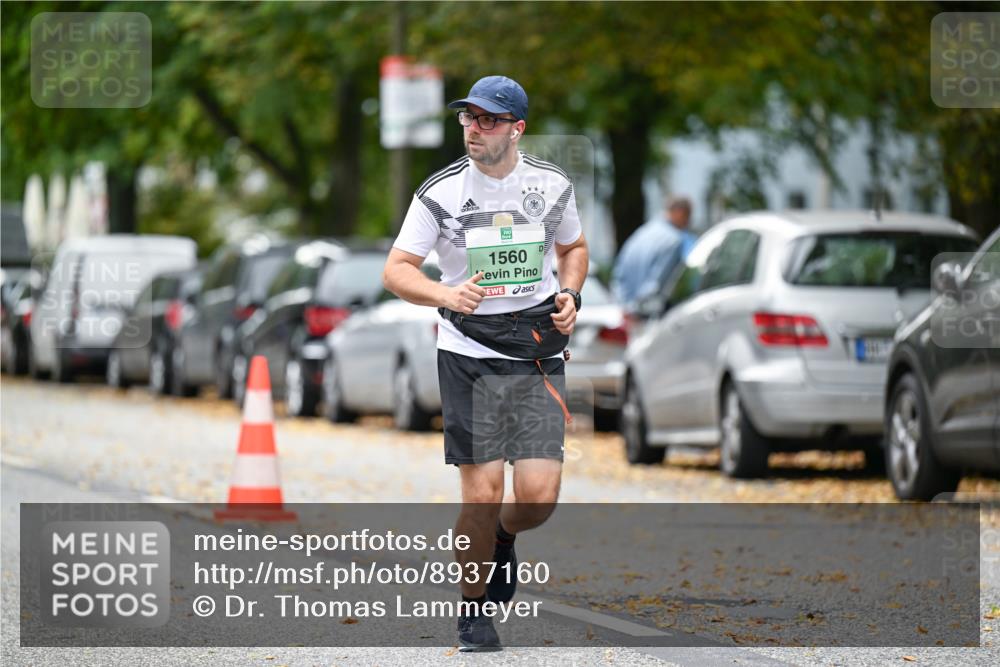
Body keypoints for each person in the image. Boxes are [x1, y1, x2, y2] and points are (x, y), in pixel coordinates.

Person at [383, 75, 589, 652]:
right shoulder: (441, 192)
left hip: (536, 352)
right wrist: (445, 295)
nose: (473, 128)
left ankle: (502, 537)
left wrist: (571, 294)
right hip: (469, 353)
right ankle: (473, 611)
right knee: (481, 491)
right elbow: (397, 270)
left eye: (487, 119)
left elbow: (574, 249)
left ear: (516, 128)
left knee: (538, 497)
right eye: (467, 118)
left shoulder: (550, 185)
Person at [611, 196, 697, 310]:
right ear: (680, 213)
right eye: (688, 217)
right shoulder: (674, 241)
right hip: (646, 314)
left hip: (622, 309)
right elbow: (656, 285)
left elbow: (618, 276)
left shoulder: (641, 233)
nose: (688, 223)